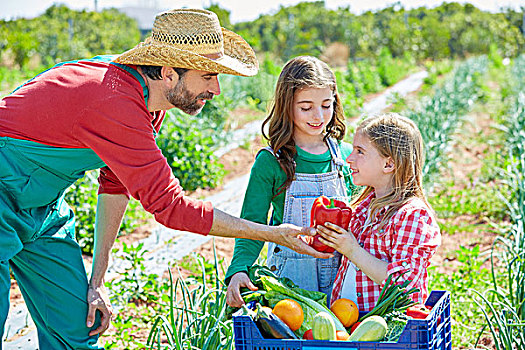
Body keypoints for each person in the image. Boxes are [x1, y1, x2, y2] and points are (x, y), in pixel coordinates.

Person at [0, 9, 326, 349]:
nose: (215, 89)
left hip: (42, 206)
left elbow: (114, 184)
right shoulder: (115, 100)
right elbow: (171, 208)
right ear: (169, 73)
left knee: (76, 331)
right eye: (208, 76)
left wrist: (97, 280)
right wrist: (270, 233)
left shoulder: (149, 104)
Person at [225, 56, 357, 308]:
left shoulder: (347, 157)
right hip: (290, 282)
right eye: (306, 108)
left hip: (344, 277)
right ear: (287, 106)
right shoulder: (271, 161)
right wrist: (240, 268)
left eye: (326, 105)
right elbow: (252, 223)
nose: (318, 116)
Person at [316, 113, 441, 311]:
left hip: (388, 332)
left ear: (388, 164)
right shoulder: (364, 208)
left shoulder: (411, 215)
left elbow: (404, 284)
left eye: (360, 152)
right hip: (349, 322)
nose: (349, 158)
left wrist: (351, 250)